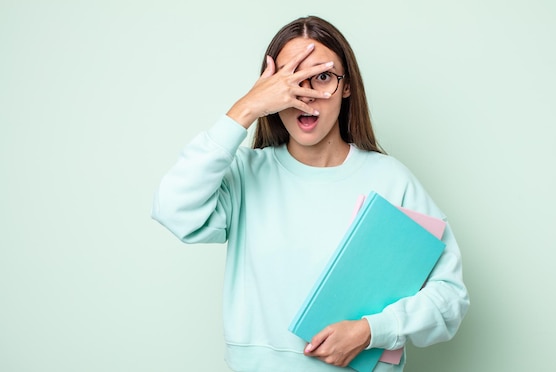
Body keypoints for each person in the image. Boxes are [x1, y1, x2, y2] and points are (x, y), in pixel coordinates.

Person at [152, 15, 469, 371]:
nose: (306, 95)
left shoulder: (392, 180)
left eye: (322, 77)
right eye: (291, 79)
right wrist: (245, 109)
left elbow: (450, 297)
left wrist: (371, 331)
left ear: (346, 86)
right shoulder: (244, 174)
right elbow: (173, 209)